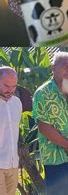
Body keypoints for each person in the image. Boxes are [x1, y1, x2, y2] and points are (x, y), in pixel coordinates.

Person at [33, 52, 68, 195]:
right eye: (65, 66)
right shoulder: (43, 93)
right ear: (53, 68)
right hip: (55, 158)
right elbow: (43, 126)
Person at [0, 67, 22, 195]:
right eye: (6, 85)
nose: (10, 90)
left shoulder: (17, 103)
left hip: (13, 163)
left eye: (14, 86)